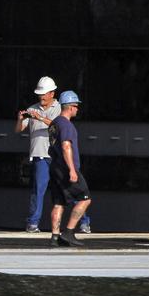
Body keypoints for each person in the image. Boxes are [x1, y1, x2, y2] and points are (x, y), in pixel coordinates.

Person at [17, 76, 90, 233]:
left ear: (52, 93)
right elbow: (19, 129)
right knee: (39, 190)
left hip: (57, 158)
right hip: (40, 155)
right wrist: (21, 119)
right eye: (39, 94)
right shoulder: (32, 108)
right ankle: (33, 223)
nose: (41, 97)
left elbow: (59, 125)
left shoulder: (60, 108)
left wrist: (41, 118)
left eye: (44, 93)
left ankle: (84, 222)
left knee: (71, 190)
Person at [49, 90, 91, 247]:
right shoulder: (67, 125)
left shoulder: (54, 123)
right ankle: (68, 232)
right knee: (85, 198)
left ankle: (54, 236)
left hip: (55, 167)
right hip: (66, 168)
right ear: (71, 107)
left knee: (59, 202)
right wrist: (72, 170)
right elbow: (66, 146)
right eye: (76, 106)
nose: (77, 109)